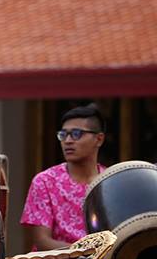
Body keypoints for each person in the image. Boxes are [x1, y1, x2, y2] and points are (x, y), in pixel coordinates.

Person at [21, 104, 106, 250]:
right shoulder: (45, 181)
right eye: (63, 134)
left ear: (99, 139)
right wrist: (86, 254)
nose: (68, 141)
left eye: (76, 134)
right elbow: (42, 241)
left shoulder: (110, 181)